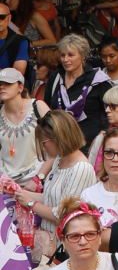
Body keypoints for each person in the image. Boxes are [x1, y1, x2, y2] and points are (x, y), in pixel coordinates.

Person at [12, 111, 95, 262]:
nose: (43, 147)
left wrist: (31, 203)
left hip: (64, 251)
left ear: (59, 138)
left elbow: (63, 214)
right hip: (49, 244)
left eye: (44, 141)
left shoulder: (81, 168)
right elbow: (51, 197)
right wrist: (18, 193)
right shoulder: (59, 160)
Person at [44, 33, 112, 145]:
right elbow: (46, 109)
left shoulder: (98, 79)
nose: (65, 59)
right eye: (62, 55)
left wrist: (103, 134)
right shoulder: (55, 77)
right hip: (60, 144)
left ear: (83, 56)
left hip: (89, 145)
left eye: (71, 55)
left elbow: (114, 110)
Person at [0, 66, 48, 185]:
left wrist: (39, 178)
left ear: (20, 88)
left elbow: (60, 144)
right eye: (0, 83)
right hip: (6, 183)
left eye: (8, 83)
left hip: (35, 179)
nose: (2, 87)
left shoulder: (38, 107)